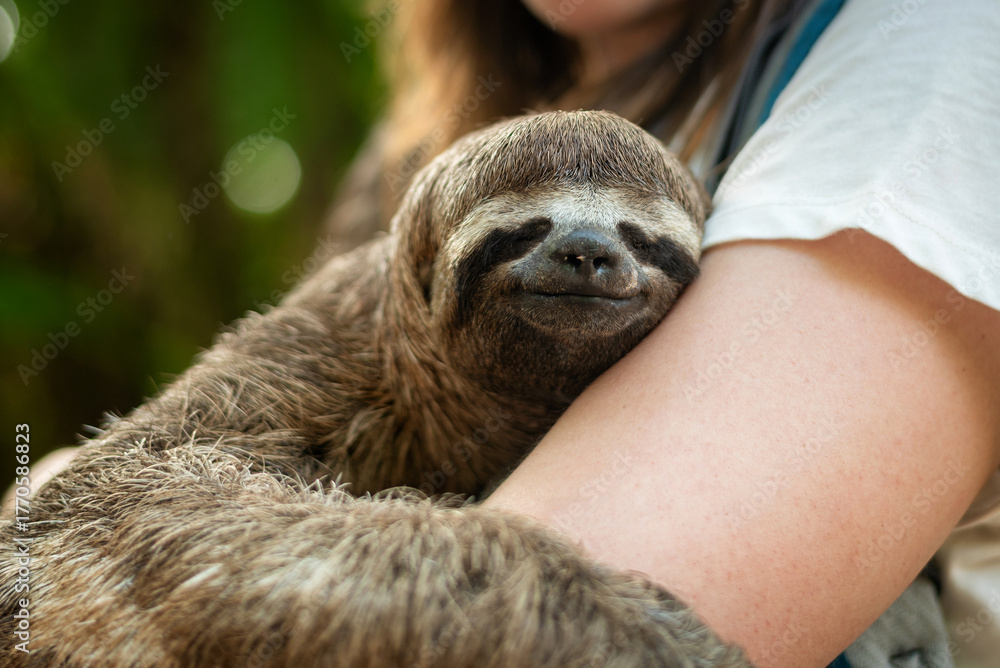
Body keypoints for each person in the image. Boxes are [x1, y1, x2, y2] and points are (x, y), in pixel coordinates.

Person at [319, 1, 1000, 666]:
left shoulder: (933, 43)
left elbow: (560, 634)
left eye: (642, 240)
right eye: (520, 229)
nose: (585, 257)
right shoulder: (409, 149)